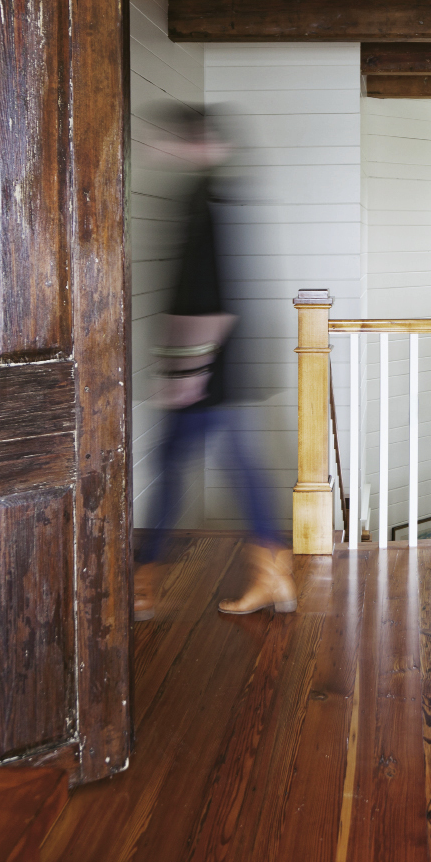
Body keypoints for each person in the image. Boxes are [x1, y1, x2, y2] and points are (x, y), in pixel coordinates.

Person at [133, 106, 296, 621]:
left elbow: (210, 293)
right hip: (210, 365)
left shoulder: (206, 200)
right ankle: (270, 572)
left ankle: (145, 577)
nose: (160, 148)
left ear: (198, 143)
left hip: (204, 369)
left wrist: (187, 372)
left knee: (181, 465)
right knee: (211, 463)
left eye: (172, 140)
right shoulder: (208, 194)